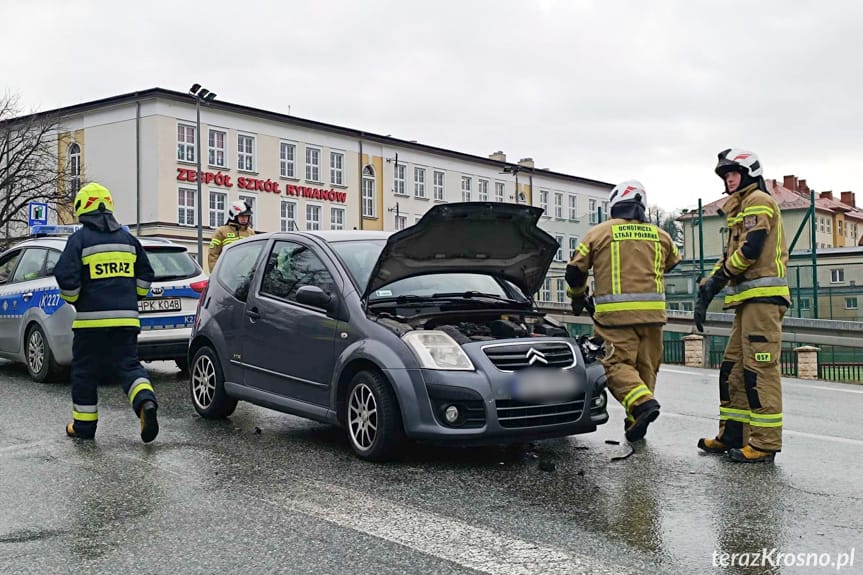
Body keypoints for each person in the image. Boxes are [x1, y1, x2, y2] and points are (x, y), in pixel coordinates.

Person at [566, 180, 681, 442]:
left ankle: (641, 405)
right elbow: (673, 260)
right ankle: (634, 419)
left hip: (615, 318)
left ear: (615, 203)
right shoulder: (660, 235)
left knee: (616, 365)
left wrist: (577, 297)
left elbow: (574, 270)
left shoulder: (599, 233)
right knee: (646, 368)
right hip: (653, 316)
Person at [695, 149, 789, 463]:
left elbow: (751, 250)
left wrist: (717, 280)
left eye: (733, 173)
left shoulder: (759, 201)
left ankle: (763, 444)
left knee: (759, 372)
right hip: (748, 303)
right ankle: (732, 435)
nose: (728, 179)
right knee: (733, 371)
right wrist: (708, 286)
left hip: (763, 302)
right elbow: (730, 257)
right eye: (725, 175)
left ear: (749, 172)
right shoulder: (741, 207)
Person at [54, 182, 159, 443]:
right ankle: (146, 402)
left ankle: (84, 427)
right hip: (126, 320)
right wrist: (133, 296)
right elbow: (146, 274)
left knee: (85, 372)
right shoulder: (128, 239)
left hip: (91, 323)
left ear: (82, 209)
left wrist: (76, 299)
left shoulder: (79, 240)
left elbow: (65, 276)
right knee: (128, 366)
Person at [208, 200, 254, 272]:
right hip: (227, 275)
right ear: (233, 216)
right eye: (242, 216)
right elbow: (213, 256)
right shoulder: (221, 232)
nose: (245, 218)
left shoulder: (251, 232)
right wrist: (215, 275)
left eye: (247, 216)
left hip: (247, 275)